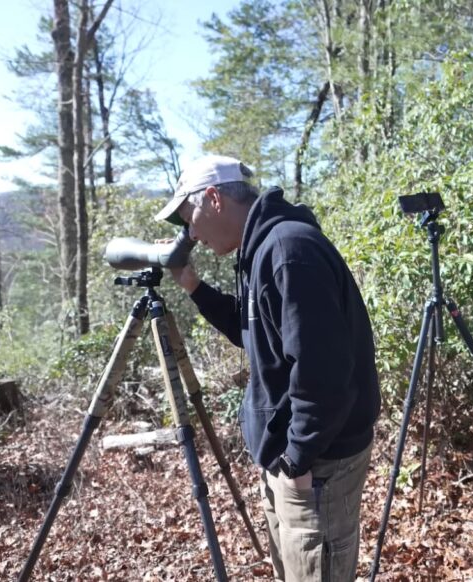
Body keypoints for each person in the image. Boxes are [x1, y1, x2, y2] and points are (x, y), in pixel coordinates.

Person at [155, 155, 381, 582]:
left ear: (213, 199)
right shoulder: (261, 249)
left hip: (317, 464)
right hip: (291, 456)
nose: (190, 234)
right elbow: (256, 332)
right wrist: (196, 289)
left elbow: (323, 372)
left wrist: (297, 460)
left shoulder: (288, 250)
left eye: (189, 218)